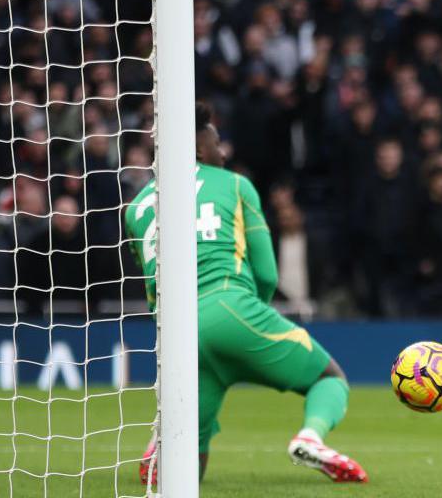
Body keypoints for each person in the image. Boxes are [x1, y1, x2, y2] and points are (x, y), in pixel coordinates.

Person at [124, 103, 367, 484]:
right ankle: (310, 437)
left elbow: (153, 289)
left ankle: (162, 457)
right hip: (231, 308)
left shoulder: (135, 208)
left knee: (190, 467)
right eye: (217, 144)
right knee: (329, 379)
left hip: (176, 334)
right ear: (200, 149)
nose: (224, 152)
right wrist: (248, 316)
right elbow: (267, 272)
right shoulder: (235, 185)